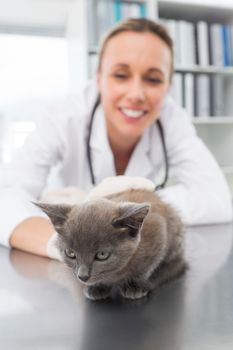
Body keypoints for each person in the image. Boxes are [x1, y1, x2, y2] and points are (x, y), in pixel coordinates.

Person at [0, 18, 232, 260]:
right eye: (121, 75)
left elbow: (216, 200)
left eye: (153, 79)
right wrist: (58, 244)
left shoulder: (171, 118)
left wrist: (102, 206)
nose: (136, 94)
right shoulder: (63, 116)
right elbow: (5, 194)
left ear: (168, 86)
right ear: (98, 78)